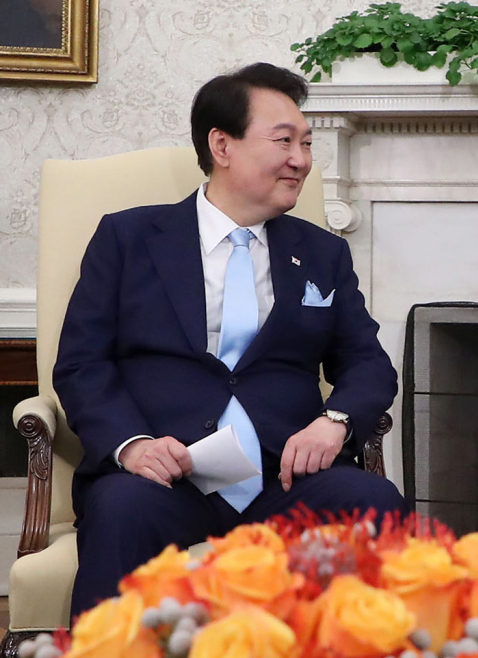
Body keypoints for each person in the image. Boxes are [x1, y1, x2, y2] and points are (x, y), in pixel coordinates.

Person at [54, 63, 406, 619]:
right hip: (166, 478)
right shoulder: (128, 238)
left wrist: (334, 421)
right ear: (222, 145)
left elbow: (368, 364)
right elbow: (81, 364)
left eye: (307, 143)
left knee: (375, 502)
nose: (301, 159)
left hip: (284, 481)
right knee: (119, 507)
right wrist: (132, 445)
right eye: (284, 140)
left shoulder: (322, 253)